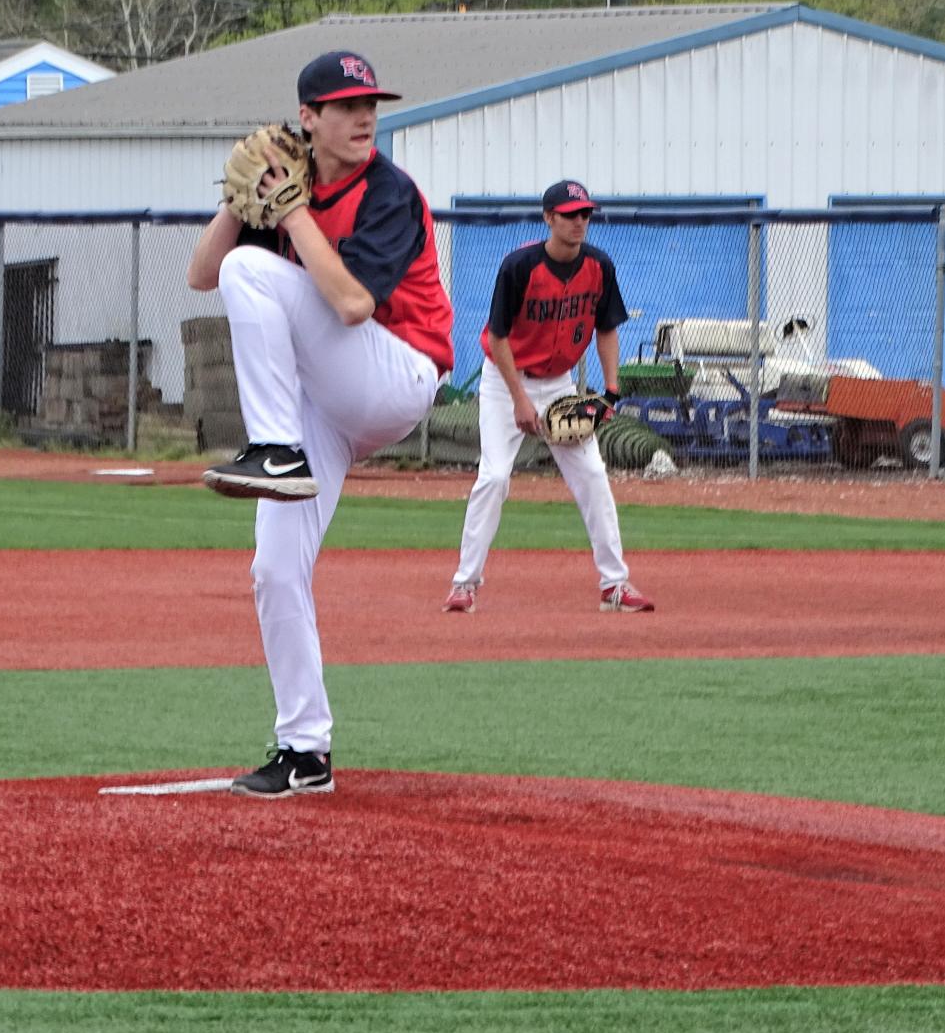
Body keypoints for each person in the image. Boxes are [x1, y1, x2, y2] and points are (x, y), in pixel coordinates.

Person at [187, 50, 454, 798]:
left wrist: (291, 211)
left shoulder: (389, 193)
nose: (364, 116)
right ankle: (305, 751)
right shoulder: (286, 191)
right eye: (344, 105)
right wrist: (242, 203)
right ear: (308, 117)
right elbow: (201, 273)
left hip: (396, 371)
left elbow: (351, 306)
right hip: (329, 406)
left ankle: (274, 448)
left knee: (254, 271)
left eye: (370, 103)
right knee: (274, 571)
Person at [442, 178, 653, 615]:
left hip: (560, 384)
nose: (580, 222)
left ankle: (615, 584)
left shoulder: (599, 265)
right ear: (549, 218)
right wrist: (519, 399)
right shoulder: (519, 267)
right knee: (496, 477)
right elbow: (498, 338)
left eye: (585, 214)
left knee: (593, 476)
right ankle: (465, 584)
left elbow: (607, 328)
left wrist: (610, 389)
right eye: (570, 214)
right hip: (506, 380)